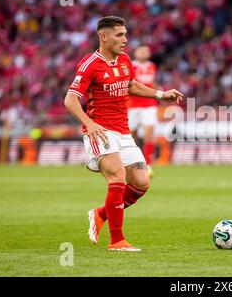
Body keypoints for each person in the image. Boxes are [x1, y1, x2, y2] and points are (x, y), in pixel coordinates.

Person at [64, 16, 183, 251]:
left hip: (123, 131)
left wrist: (161, 95)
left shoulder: (125, 60)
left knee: (141, 182)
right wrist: (90, 123)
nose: (125, 40)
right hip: (99, 132)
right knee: (117, 176)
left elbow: (132, 86)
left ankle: (100, 214)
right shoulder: (90, 64)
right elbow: (70, 100)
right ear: (103, 37)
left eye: (126, 34)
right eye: (119, 35)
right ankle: (117, 241)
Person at [128, 46, 158, 178]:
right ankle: (133, 163)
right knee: (131, 136)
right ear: (136, 52)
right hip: (132, 106)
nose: (144, 53)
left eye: (146, 51)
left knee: (148, 136)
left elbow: (152, 84)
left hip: (149, 105)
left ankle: (148, 165)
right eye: (141, 50)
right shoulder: (130, 66)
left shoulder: (152, 66)